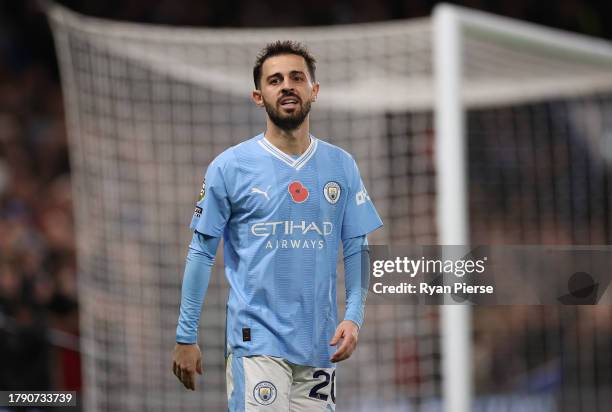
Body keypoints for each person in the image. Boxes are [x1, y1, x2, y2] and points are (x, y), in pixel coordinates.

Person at [172, 40, 383, 411]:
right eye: (275, 80)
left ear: (313, 90)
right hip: (256, 342)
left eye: (296, 77)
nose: (286, 85)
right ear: (258, 96)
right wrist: (185, 335)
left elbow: (357, 248)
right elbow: (201, 252)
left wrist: (354, 317)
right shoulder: (229, 166)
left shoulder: (342, 166)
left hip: (320, 345)